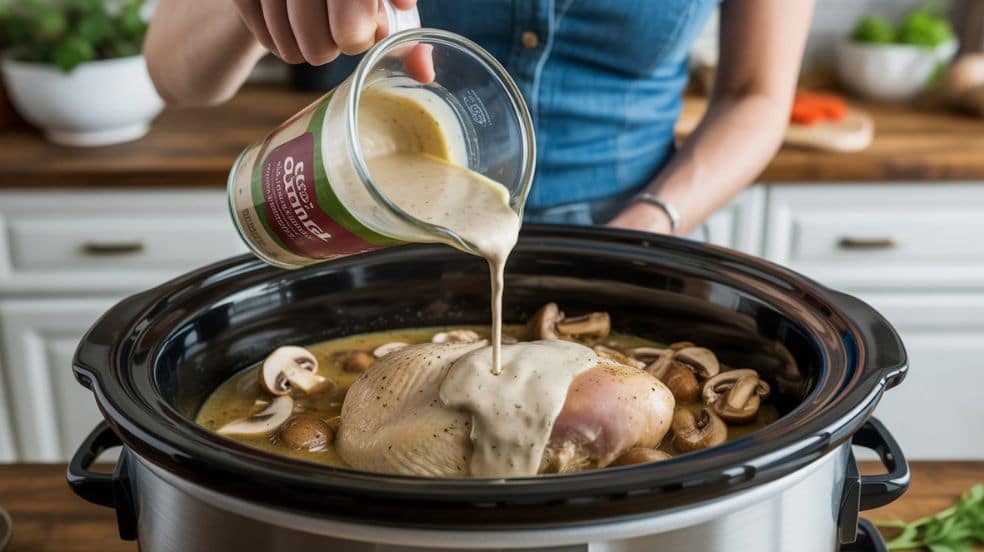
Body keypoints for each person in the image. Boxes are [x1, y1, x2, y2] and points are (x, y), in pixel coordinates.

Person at [145, 1, 813, 235]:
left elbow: (755, 96)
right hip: (365, 229)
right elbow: (173, 71)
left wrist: (648, 226)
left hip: (635, 231)